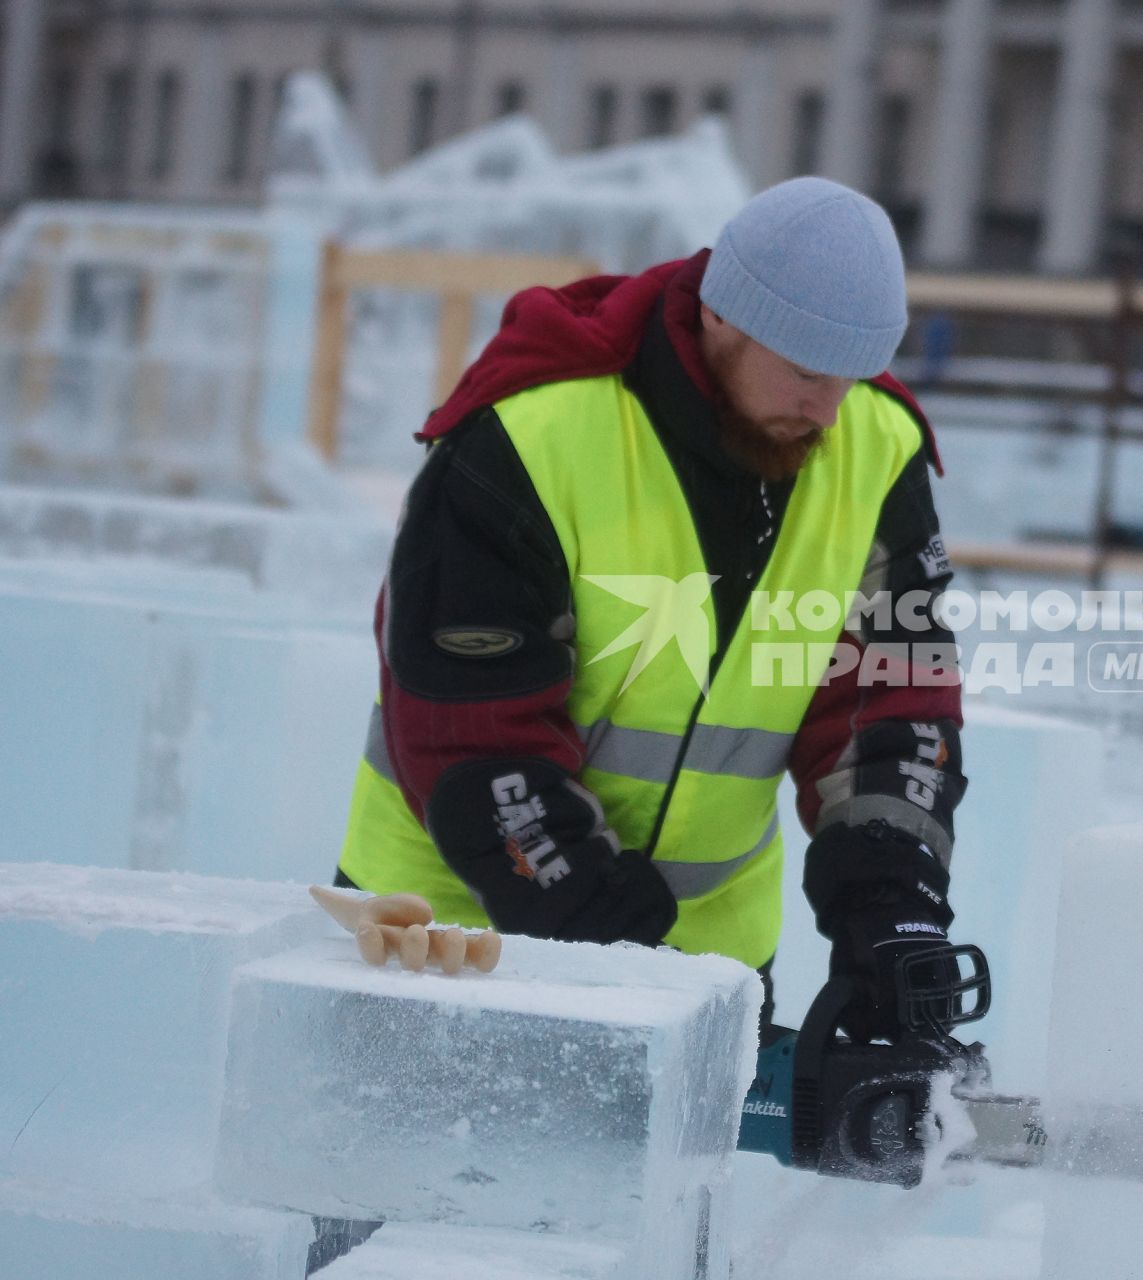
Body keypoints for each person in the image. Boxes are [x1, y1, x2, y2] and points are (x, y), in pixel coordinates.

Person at [332, 176, 970, 1049]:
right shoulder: (533, 436)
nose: (828, 410)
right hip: (446, 938)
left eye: (854, 377)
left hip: (706, 969)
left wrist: (892, 907)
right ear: (722, 318)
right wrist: (605, 934)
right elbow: (468, 722)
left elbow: (891, 702)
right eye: (806, 370)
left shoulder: (873, 442)